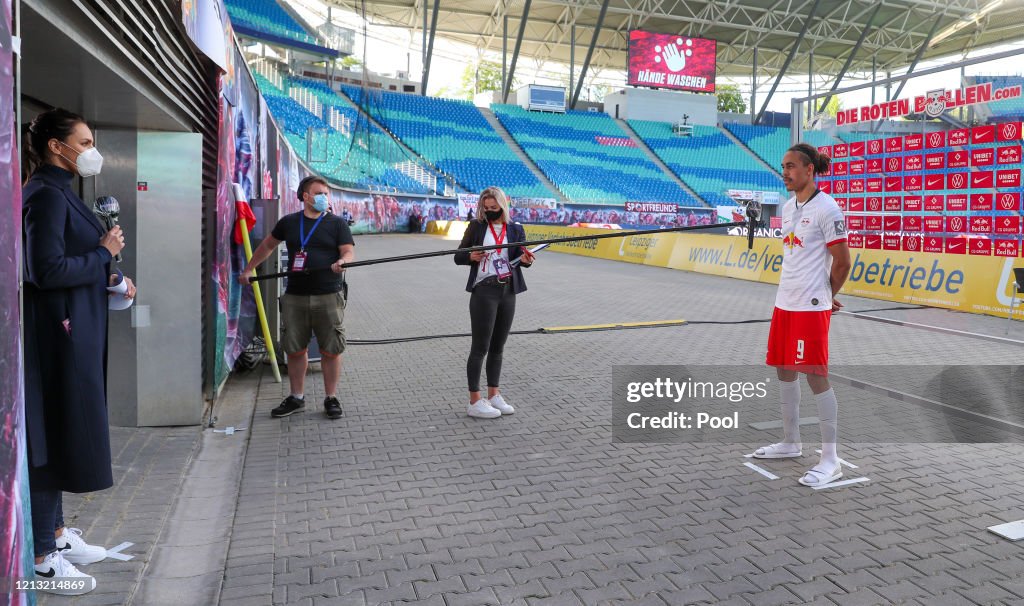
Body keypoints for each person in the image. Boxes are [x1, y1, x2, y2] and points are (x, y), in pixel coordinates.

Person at [22, 108, 137, 594]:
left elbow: (70, 260)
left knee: (68, 429)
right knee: (52, 435)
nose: (92, 150)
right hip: (56, 340)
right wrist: (104, 254)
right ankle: (44, 558)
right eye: (85, 140)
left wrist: (111, 278)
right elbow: (44, 271)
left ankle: (58, 535)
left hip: (75, 332)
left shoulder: (60, 193)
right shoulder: (45, 197)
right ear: (56, 146)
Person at [753, 143, 852, 487]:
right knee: (784, 368)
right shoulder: (787, 205)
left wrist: (826, 295)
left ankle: (830, 458)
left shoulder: (828, 209)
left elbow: (843, 262)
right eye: (783, 166)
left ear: (810, 170)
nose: (786, 172)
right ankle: (791, 442)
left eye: (792, 166)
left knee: (814, 374)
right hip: (785, 301)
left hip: (810, 307)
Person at [240, 176, 355, 419]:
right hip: (295, 297)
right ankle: (296, 397)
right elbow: (267, 246)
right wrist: (249, 268)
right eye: (319, 192)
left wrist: (343, 262)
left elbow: (348, 250)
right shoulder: (289, 223)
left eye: (326, 193)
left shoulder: (337, 224)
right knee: (294, 349)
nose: (324, 197)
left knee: (331, 350)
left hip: (328, 296)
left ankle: (331, 397)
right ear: (305, 196)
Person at [454, 187, 536, 418]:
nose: (489, 212)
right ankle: (474, 400)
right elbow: (458, 255)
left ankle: (494, 394)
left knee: (498, 347)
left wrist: (527, 260)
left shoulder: (516, 229)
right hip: (484, 291)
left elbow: (520, 259)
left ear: (503, 206)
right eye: (485, 208)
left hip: (508, 290)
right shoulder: (476, 226)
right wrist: (470, 256)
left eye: (494, 208)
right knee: (480, 347)